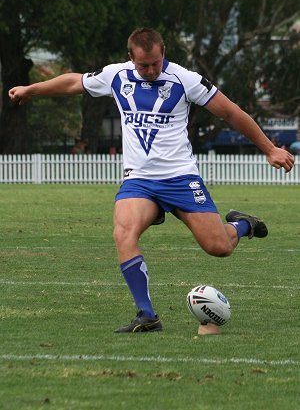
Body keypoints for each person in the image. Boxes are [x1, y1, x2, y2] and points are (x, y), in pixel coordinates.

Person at [9, 27, 295, 335]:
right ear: (131, 57)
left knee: (219, 247)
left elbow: (231, 112)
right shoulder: (116, 76)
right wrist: (31, 89)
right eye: (144, 65)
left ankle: (243, 225)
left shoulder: (185, 80)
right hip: (140, 181)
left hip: (180, 178)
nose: (150, 70)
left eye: (156, 63)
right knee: (123, 233)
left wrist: (269, 149)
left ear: (163, 53)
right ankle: (147, 315)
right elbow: (73, 81)